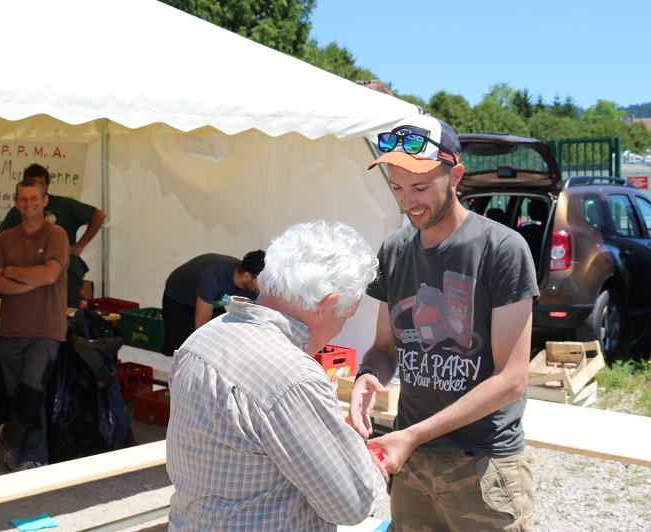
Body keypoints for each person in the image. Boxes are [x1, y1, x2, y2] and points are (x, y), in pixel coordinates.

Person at [349, 114, 539, 531]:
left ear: (455, 176)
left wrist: (412, 435)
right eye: (397, 188)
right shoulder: (394, 250)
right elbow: (385, 349)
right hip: (413, 462)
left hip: (483, 463)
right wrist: (368, 375)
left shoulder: (502, 249)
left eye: (420, 187)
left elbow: (511, 380)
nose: (408, 201)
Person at [166, 220, 387, 531]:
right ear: (327, 305)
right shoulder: (293, 376)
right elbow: (351, 505)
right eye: (345, 317)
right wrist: (372, 466)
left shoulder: (201, 339)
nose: (339, 329)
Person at [0, 178, 70, 472]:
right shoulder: (4, 240)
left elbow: (50, 275)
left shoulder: (56, 234)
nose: (28, 204)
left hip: (46, 330)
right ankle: (19, 448)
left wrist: (11, 271)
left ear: (45, 201)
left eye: (34, 198)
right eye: (23, 199)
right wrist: (29, 281)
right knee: (18, 395)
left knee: (32, 390)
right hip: (11, 330)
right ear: (15, 203)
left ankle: (28, 451)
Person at [0, 163, 105, 308]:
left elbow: (99, 215)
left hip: (67, 278)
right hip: (29, 278)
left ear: (47, 186)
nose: (36, 188)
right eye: (32, 183)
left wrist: (80, 245)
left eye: (41, 184)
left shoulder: (64, 205)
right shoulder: (20, 210)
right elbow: (1, 240)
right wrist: (12, 268)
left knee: (67, 319)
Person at [161, 251, 265, 356]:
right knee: (181, 348)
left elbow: (250, 321)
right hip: (180, 298)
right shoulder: (214, 274)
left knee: (220, 336)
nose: (263, 287)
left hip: (213, 300)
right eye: (262, 281)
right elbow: (201, 326)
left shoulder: (252, 288)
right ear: (247, 277)